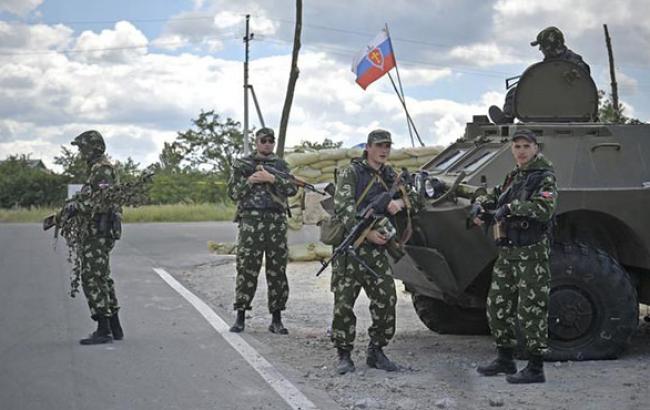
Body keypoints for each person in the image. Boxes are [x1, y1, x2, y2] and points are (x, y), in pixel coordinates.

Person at [472, 128, 558, 384]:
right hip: (509, 253)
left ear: (535, 148)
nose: (521, 151)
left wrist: (509, 208)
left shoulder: (544, 177)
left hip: (532, 252)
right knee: (498, 305)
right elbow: (494, 194)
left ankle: (535, 367)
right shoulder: (514, 177)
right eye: (517, 147)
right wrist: (482, 204)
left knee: (531, 310)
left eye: (526, 147)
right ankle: (505, 359)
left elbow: (544, 209)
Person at [330, 129, 419, 375]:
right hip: (351, 248)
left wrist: (399, 203)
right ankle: (344, 354)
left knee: (386, 299)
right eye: (379, 145)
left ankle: (376, 350)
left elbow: (416, 197)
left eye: (388, 146)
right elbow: (343, 209)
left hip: (377, 252)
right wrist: (366, 234)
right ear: (368, 147)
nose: (384, 150)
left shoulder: (392, 175)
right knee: (344, 303)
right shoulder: (352, 172)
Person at [227, 127, 298, 334]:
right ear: (256, 142)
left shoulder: (280, 165)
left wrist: (272, 179)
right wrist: (250, 181)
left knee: (277, 271)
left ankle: (276, 319)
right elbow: (232, 193)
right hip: (251, 221)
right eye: (263, 140)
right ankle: (240, 316)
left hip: (276, 222)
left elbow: (292, 188)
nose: (267, 144)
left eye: (271, 141)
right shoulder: (243, 165)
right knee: (247, 268)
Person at [68, 130, 124, 345]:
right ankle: (114, 326)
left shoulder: (101, 169)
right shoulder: (98, 168)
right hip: (98, 230)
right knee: (102, 276)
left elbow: (102, 201)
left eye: (82, 147)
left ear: (93, 147)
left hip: (98, 231)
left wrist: (76, 206)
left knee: (91, 276)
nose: (81, 152)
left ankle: (104, 329)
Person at [489, 26, 591, 124]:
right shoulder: (550, 63)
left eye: (541, 46)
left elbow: (582, 75)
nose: (540, 49)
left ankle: (508, 117)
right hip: (550, 103)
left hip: (566, 106)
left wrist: (573, 74)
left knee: (514, 92)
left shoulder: (574, 62)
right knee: (514, 91)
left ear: (548, 47)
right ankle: (507, 118)